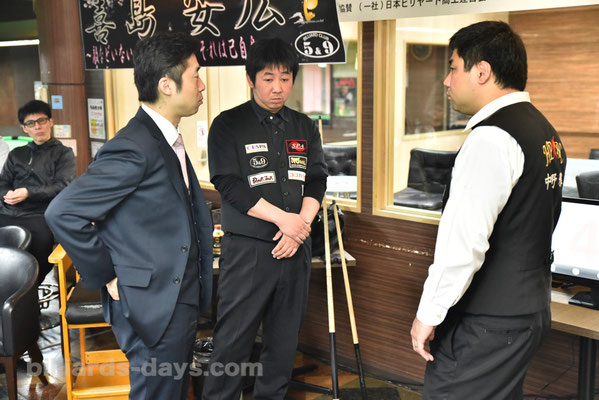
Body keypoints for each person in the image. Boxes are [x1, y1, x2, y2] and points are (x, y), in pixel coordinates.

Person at [45, 32, 213, 400]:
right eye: (196, 76)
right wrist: (107, 275)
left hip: (175, 298)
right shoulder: (134, 145)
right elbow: (63, 211)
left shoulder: (164, 138)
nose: (202, 85)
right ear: (167, 85)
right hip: (152, 304)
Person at [410, 21, 566, 399]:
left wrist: (429, 314)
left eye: (453, 68)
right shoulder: (543, 131)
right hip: (528, 309)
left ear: (482, 72)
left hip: (487, 322)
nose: (447, 81)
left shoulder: (492, 138)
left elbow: (464, 243)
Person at [202, 37, 328, 400]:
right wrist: (284, 221)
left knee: (284, 344)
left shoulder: (304, 126)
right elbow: (228, 183)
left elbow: (316, 178)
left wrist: (299, 227)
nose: (278, 87)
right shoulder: (228, 124)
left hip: (295, 251)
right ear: (250, 78)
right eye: (268, 78)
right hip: (249, 252)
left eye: (285, 78)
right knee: (232, 343)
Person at [0, 100, 75, 286]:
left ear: (50, 121)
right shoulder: (17, 154)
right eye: (31, 123)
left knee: (38, 254)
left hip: (41, 213)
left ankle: (30, 290)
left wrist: (28, 192)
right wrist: (6, 194)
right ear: (24, 128)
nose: (37, 127)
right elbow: (3, 182)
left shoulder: (63, 153)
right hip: (8, 211)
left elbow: (62, 186)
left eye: (41, 121)